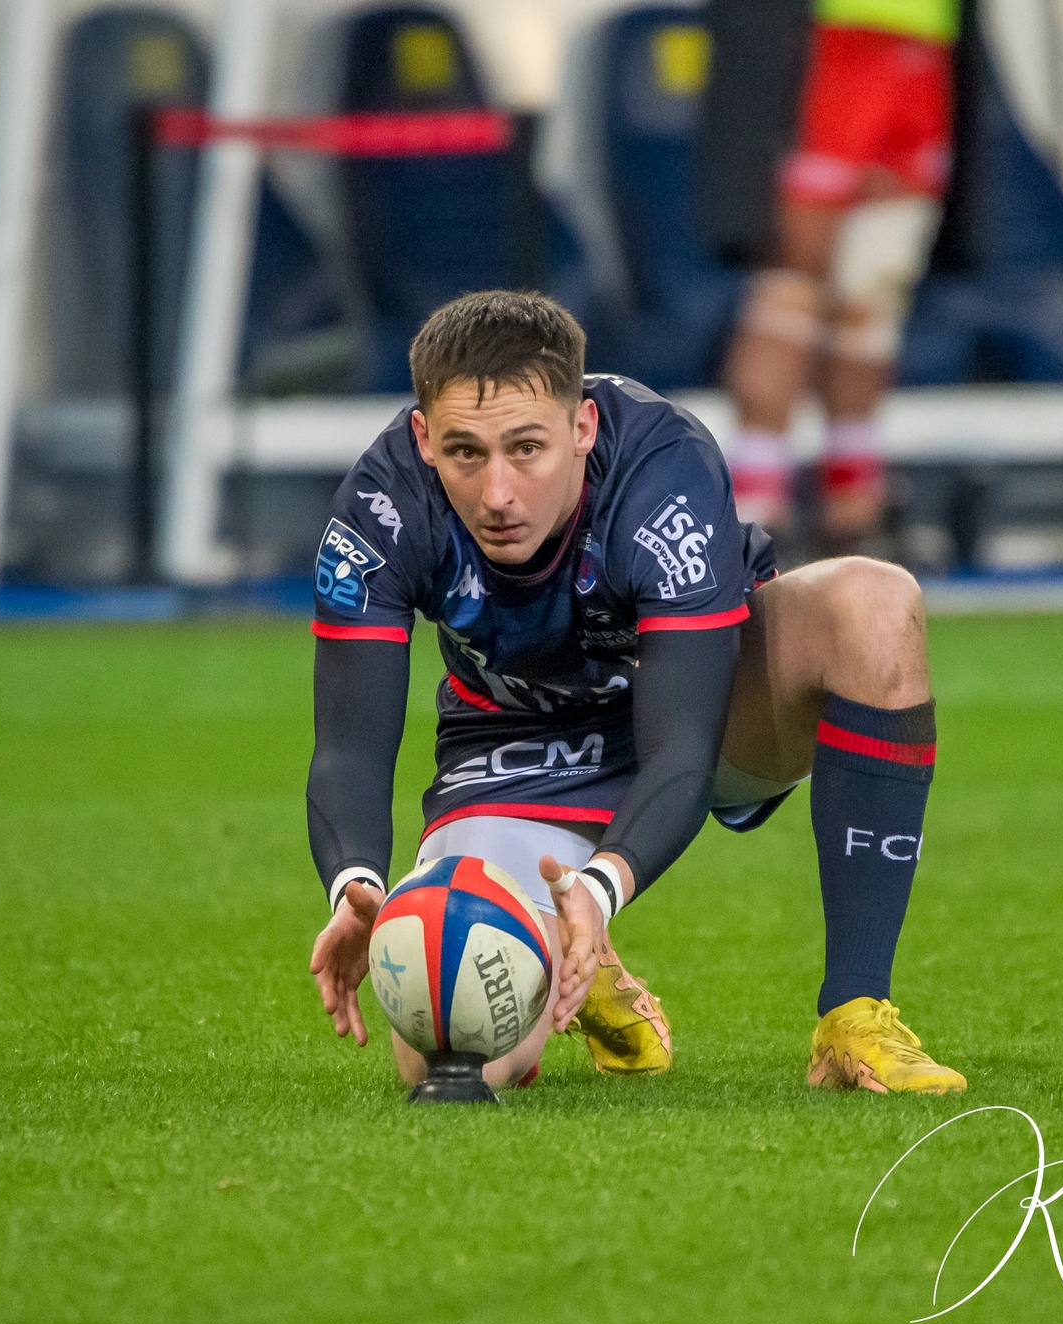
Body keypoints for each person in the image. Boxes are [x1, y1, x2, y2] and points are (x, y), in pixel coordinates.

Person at [307, 291, 964, 1095]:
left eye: (526, 448)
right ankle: (586, 969)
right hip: (518, 750)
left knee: (875, 603)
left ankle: (853, 1015)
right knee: (449, 1040)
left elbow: (682, 750)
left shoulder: (663, 466)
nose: (498, 492)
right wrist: (357, 884)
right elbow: (348, 748)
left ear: (582, 427)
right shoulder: (380, 506)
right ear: (423, 439)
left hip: (710, 706)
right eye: (465, 452)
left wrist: (596, 887)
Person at [719, 0, 956, 553]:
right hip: (831, 43)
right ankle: (754, 514)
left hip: (925, 47)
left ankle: (853, 513)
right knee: (791, 289)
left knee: (869, 298)